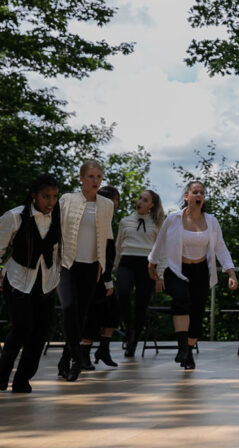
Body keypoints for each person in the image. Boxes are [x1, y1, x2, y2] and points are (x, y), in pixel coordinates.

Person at [148, 181, 239, 370]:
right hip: (176, 269)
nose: (199, 196)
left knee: (197, 317)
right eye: (195, 192)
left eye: (202, 193)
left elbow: (221, 248)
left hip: (200, 271)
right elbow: (160, 242)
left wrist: (231, 272)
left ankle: (188, 351)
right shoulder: (173, 219)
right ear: (187, 196)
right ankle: (182, 348)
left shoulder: (211, 221)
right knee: (181, 300)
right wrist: (152, 263)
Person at [0, 174, 63, 393]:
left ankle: (22, 379)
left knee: (40, 332)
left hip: (46, 283)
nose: (51, 202)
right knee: (22, 328)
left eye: (55, 197)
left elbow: (59, 251)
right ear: (34, 196)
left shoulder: (58, 217)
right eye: (46, 197)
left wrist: (58, 277)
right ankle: (2, 375)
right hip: (18, 281)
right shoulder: (15, 216)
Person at [57, 160, 115, 381]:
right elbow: (56, 232)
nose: (95, 181)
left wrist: (107, 275)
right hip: (67, 263)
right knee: (69, 308)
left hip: (92, 266)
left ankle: (66, 360)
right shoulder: (67, 200)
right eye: (91, 176)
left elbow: (108, 241)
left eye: (99, 177)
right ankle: (76, 358)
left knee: (80, 316)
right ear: (81, 178)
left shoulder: (106, 205)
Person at [115, 190, 165, 358]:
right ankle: (128, 329)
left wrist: (160, 275)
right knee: (122, 293)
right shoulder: (125, 221)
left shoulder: (157, 224)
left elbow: (162, 252)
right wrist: (112, 268)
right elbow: (118, 246)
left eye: (145, 200)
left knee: (140, 306)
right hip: (126, 262)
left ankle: (133, 342)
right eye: (139, 198)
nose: (140, 202)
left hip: (147, 265)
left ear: (151, 205)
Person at [82, 185, 121, 368]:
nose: (117, 203)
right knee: (93, 314)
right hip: (94, 274)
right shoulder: (97, 220)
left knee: (113, 311)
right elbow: (101, 252)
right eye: (115, 199)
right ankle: (83, 354)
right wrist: (106, 280)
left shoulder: (108, 220)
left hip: (104, 274)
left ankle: (103, 349)